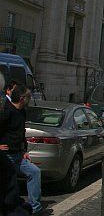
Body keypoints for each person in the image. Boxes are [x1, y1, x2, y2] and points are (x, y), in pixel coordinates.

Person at [0, 85, 48, 215]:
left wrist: (24, 151)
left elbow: (21, 134)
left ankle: (35, 208)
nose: (30, 99)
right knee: (10, 184)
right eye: (28, 97)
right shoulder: (6, 111)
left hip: (18, 155)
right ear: (22, 98)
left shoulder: (22, 111)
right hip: (6, 156)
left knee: (34, 172)